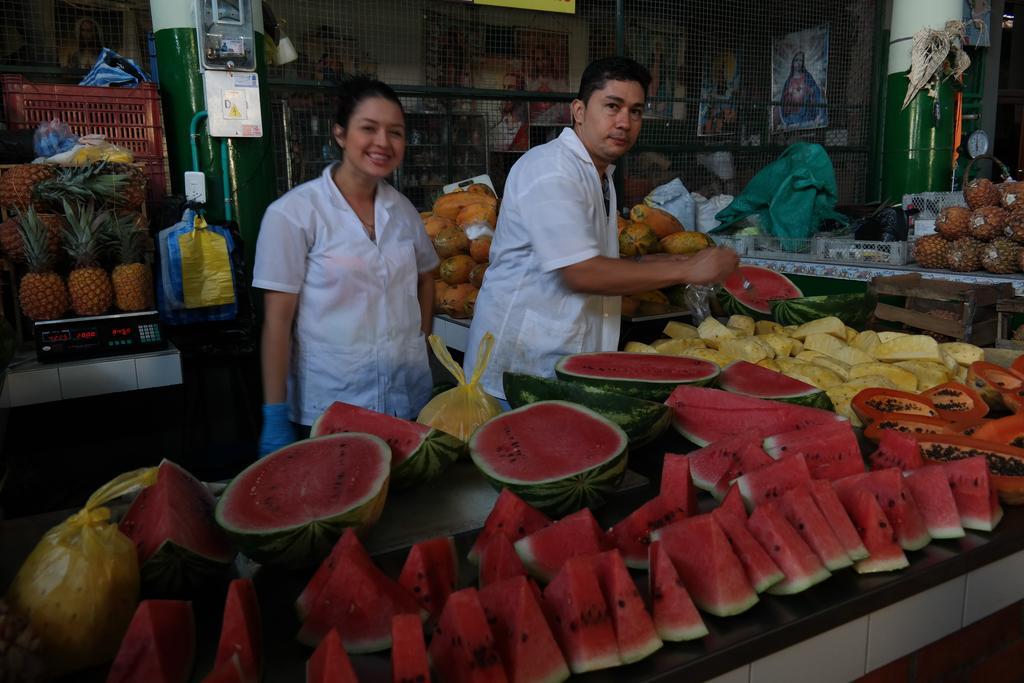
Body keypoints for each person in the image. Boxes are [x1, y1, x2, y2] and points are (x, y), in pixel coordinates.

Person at [464, 56, 740, 402]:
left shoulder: (600, 174)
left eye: (636, 111)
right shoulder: (551, 170)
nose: (624, 122)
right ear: (579, 111)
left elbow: (602, 259)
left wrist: (679, 262)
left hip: (565, 367)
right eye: (612, 106)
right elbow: (581, 272)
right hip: (522, 372)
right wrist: (687, 268)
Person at [253, 76, 438, 457]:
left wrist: (419, 339)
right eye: (368, 129)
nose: (383, 143)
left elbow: (427, 275)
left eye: (396, 132)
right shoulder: (293, 214)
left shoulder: (403, 211)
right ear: (340, 134)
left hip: (407, 397)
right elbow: (277, 323)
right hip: (331, 402)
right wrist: (274, 412)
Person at [778, 51, 825, 128]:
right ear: (792, 62)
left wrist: (810, 90)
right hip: (792, 115)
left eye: (801, 60)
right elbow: (783, 99)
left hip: (806, 113)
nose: (799, 63)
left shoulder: (807, 77)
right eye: (796, 60)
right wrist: (789, 93)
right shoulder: (789, 80)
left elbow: (816, 90)